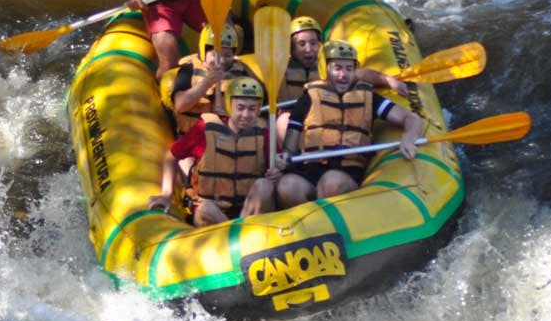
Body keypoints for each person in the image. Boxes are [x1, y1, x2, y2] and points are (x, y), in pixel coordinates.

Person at [276, 40, 424, 207]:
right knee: (287, 186)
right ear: (326, 69)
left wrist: (409, 137)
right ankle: (307, 226)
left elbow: (411, 118)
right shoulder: (308, 99)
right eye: (337, 68)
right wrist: (283, 159)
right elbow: (289, 148)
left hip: (347, 174)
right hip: (311, 173)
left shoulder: (368, 97)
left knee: (331, 181)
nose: (343, 75)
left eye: (349, 69)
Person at [148, 77, 279, 226]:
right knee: (206, 208)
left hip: (247, 212)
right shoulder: (205, 129)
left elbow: (275, 170)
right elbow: (171, 156)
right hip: (211, 214)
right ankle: (238, 232)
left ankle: (241, 231)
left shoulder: (264, 133)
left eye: (252, 108)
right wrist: (167, 194)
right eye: (240, 108)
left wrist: (276, 173)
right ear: (229, 105)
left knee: (264, 185)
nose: (246, 115)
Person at [275, 16, 411, 142]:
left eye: (313, 43)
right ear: (291, 48)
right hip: (294, 122)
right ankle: (295, 156)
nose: (308, 49)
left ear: (320, 44)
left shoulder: (330, 68)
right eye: (301, 44)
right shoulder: (280, 70)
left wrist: (388, 80)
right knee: (284, 120)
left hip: (323, 119)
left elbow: (361, 74)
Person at [162, 22, 258, 135]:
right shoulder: (189, 70)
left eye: (227, 55)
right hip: (197, 136)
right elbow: (180, 106)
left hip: (230, 136)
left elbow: (257, 107)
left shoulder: (242, 72)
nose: (221, 61)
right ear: (203, 52)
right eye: (215, 55)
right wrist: (207, 82)